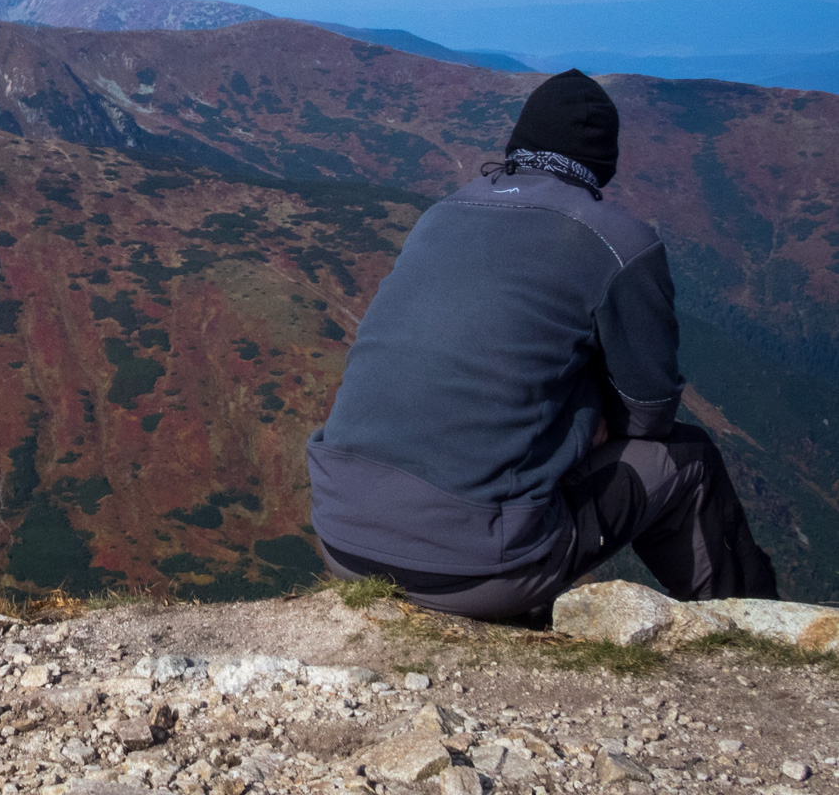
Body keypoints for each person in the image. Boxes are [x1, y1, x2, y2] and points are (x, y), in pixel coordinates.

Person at [306, 68, 777, 619]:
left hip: (341, 541)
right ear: (604, 162)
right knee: (688, 460)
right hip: (473, 573)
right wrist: (587, 414)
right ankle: (757, 631)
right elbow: (650, 416)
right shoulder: (619, 240)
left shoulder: (440, 215)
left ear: (518, 145)